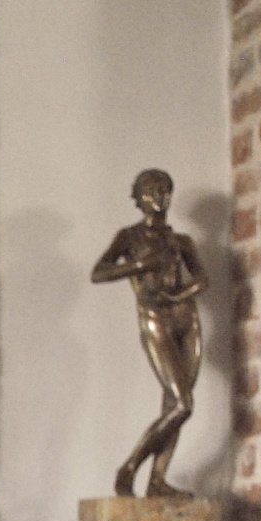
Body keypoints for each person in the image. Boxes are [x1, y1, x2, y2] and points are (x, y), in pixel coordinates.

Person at [90, 168, 208, 498]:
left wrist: (179, 294)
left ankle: (157, 481)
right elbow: (98, 272)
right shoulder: (129, 238)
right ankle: (129, 467)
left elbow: (202, 279)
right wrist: (140, 265)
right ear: (139, 197)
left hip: (188, 320)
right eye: (153, 190)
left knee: (173, 405)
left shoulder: (180, 241)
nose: (161, 197)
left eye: (166, 190)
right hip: (154, 319)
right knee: (184, 405)